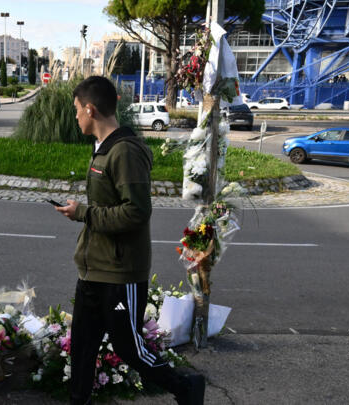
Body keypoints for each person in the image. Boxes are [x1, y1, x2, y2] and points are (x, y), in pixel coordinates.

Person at [54, 76, 205, 405]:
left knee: (128, 347)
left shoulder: (124, 152)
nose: (76, 116)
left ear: (90, 110)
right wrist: (84, 214)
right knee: (81, 346)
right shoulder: (105, 148)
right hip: (93, 269)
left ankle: (184, 387)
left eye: (77, 110)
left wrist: (84, 213)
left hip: (120, 274)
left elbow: (136, 212)